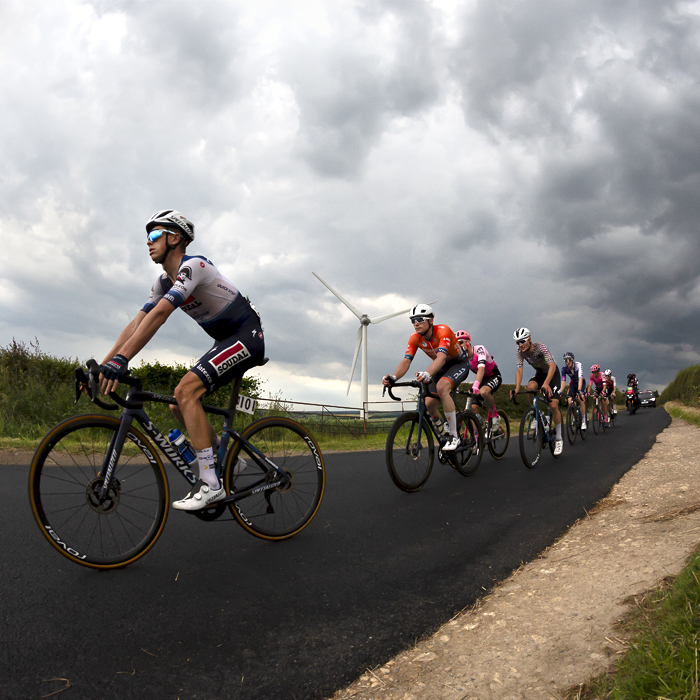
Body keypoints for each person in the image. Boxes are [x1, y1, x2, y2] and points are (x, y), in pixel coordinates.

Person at [99, 210, 265, 511]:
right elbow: (137, 324)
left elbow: (161, 315)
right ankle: (227, 461)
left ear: (174, 238)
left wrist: (123, 359)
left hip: (247, 336)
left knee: (185, 391)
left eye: (154, 235)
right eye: (146, 237)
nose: (148, 243)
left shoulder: (194, 266)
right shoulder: (162, 282)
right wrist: (106, 363)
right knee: (179, 403)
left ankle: (210, 483)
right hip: (225, 340)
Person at [382, 305, 469, 451]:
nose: (416, 323)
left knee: (442, 387)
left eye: (419, 320)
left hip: (458, 363)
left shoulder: (443, 331)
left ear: (431, 320)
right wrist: (394, 377)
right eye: (413, 320)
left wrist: (428, 373)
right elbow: (406, 361)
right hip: (441, 366)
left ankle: (454, 436)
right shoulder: (415, 338)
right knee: (429, 403)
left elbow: (441, 358)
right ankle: (446, 431)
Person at [509, 328, 564, 455]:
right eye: (517, 342)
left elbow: (552, 366)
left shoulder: (541, 347)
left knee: (554, 405)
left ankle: (559, 438)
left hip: (552, 373)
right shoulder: (520, 352)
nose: (520, 345)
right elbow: (519, 370)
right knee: (530, 387)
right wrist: (517, 388)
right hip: (540, 374)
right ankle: (536, 413)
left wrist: (546, 383)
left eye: (522, 341)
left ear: (529, 339)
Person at [454, 330, 503, 433]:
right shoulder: (462, 358)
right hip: (481, 380)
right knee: (473, 410)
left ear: (468, 342)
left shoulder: (479, 349)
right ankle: (477, 440)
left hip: (493, 376)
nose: (459, 346)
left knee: (484, 392)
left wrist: (476, 385)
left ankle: (495, 416)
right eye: (456, 344)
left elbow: (481, 369)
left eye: (461, 342)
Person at [560, 352, 587, 431]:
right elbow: (563, 381)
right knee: (569, 400)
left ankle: (583, 420)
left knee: (580, 398)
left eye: (569, 360)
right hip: (573, 383)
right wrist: (560, 392)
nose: (567, 361)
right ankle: (574, 416)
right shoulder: (564, 369)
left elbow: (580, 378)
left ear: (573, 359)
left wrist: (579, 390)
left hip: (581, 382)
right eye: (565, 360)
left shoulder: (578, 365)